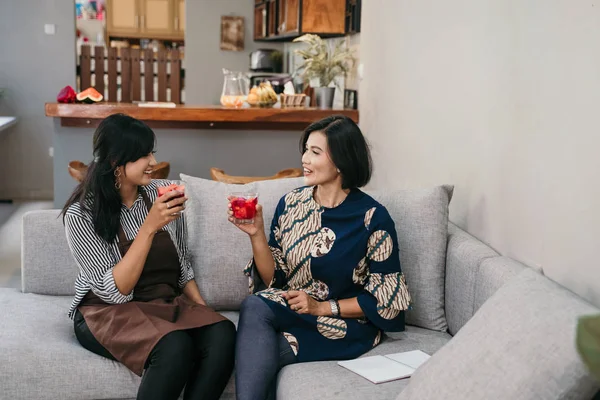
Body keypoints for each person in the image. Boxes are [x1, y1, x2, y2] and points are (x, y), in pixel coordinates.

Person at [230, 115, 412, 400]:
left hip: (342, 325)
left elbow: (384, 301)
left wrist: (321, 308)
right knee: (255, 306)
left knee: (256, 354)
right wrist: (256, 235)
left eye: (315, 152)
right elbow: (273, 279)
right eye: (305, 150)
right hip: (294, 312)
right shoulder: (291, 203)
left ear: (340, 161)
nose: (304, 159)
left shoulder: (373, 218)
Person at [62, 113, 235, 400]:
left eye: (152, 152)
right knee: (174, 346)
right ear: (117, 162)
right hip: (105, 311)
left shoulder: (160, 194)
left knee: (222, 333)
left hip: (161, 301)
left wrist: (204, 312)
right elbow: (114, 293)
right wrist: (150, 227)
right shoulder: (81, 213)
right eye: (144, 155)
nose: (153, 162)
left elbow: (182, 263)